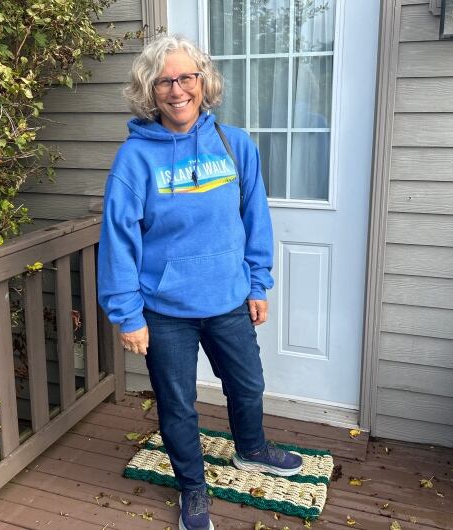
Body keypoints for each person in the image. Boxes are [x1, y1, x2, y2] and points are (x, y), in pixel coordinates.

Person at [97, 35, 302, 530]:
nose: (176, 89)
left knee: (247, 384)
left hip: (229, 297)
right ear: (150, 91)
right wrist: (127, 315)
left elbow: (255, 218)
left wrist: (258, 283)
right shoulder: (135, 160)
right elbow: (119, 241)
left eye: (186, 77)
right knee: (178, 406)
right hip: (164, 309)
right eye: (164, 81)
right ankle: (193, 488)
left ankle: (250, 449)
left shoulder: (235, 144)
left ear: (203, 81)